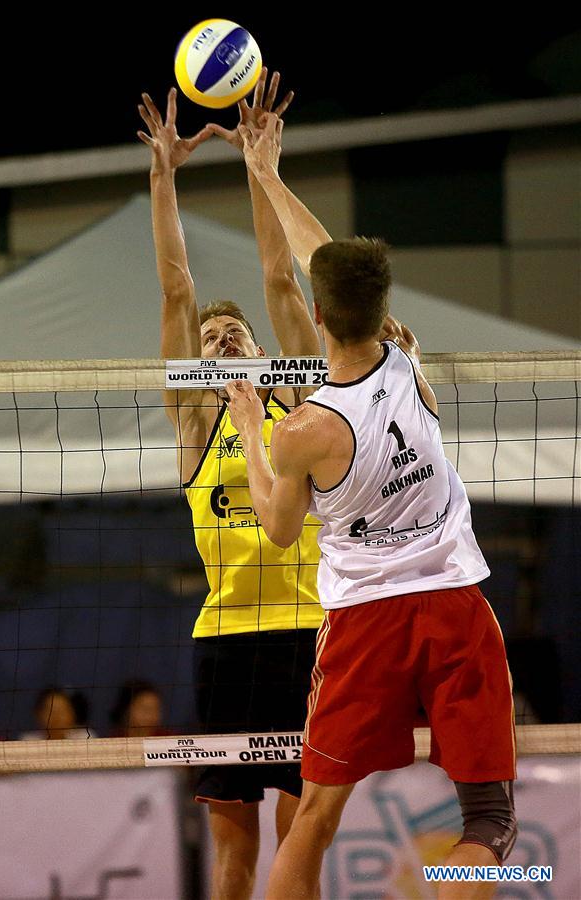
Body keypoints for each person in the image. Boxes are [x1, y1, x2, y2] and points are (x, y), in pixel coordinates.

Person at [226, 113, 517, 900]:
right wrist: (268, 173)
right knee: (491, 823)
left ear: (318, 316)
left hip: (364, 624)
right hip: (454, 604)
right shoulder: (405, 360)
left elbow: (278, 531)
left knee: (315, 818)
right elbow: (324, 264)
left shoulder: (304, 430)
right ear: (381, 310)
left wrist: (251, 427)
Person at [137, 71, 324, 899]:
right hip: (227, 641)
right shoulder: (194, 421)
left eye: (233, 333)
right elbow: (176, 287)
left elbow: (282, 280)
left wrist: (259, 168)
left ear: (264, 353)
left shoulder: (302, 402)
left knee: (301, 844)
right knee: (234, 856)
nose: (218, 340)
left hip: (313, 636)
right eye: (209, 337)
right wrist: (163, 177)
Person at [20, 686, 96, 740]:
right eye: (51, 711)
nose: (56, 717)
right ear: (38, 714)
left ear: (72, 714)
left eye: (61, 711)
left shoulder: (85, 737)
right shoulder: (28, 741)